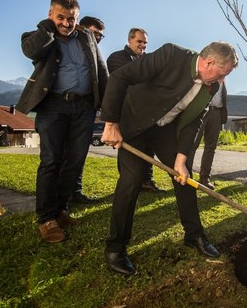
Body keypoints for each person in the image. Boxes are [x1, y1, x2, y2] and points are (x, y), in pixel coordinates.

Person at [100, 41, 238, 275]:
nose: (221, 81)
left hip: (165, 130)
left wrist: (181, 159)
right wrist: (111, 124)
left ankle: (194, 236)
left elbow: (194, 121)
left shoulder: (210, 86)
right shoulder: (171, 55)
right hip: (135, 124)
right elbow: (120, 78)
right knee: (131, 181)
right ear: (209, 62)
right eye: (221, 74)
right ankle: (116, 248)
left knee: (184, 178)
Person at [16, 0, 108, 243]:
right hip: (53, 106)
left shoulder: (87, 37)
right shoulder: (39, 36)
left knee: (75, 160)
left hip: (84, 107)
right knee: (51, 161)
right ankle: (47, 219)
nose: (67, 23)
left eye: (71, 18)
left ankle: (60, 209)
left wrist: (106, 109)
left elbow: (101, 70)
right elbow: (30, 51)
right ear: (51, 15)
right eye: (61, 18)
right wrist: (47, 28)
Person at [106, 28, 163, 193]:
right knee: (127, 148)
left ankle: (146, 181)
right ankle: (128, 183)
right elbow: (129, 80)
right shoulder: (116, 58)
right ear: (130, 40)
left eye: (145, 42)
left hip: (147, 111)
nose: (143, 45)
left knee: (148, 148)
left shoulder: (149, 59)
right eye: (139, 41)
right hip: (126, 111)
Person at [67, 15, 106, 205]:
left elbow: (102, 78)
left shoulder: (95, 53)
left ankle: (75, 191)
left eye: (101, 36)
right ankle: (59, 198)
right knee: (60, 155)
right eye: (95, 33)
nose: (98, 38)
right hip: (63, 106)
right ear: (82, 28)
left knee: (79, 153)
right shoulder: (69, 46)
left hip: (86, 107)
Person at [187, 80, 228, 190]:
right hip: (202, 111)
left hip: (217, 113)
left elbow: (222, 97)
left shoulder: (223, 79)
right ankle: (187, 177)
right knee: (192, 145)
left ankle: (205, 178)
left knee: (211, 146)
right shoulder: (208, 74)